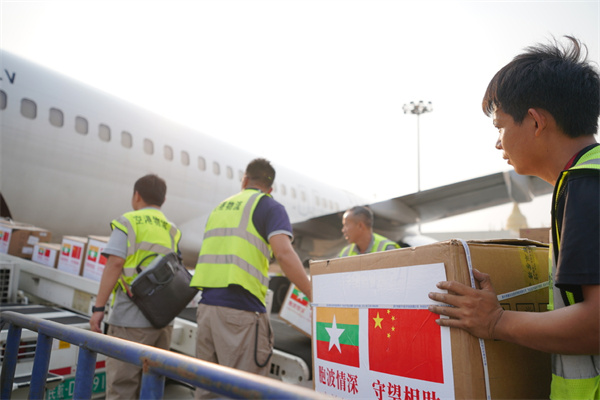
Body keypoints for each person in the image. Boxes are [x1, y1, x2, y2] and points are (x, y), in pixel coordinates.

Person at [428, 36, 599, 399]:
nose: (498, 143)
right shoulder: (585, 180)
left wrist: (496, 321)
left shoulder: (587, 185)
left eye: (499, 127)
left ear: (535, 122)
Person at [190, 158, 312, 399]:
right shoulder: (269, 207)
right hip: (240, 312)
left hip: (206, 310)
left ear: (244, 180)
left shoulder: (220, 208)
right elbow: (284, 254)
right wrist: (312, 292)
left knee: (207, 391)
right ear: (270, 188)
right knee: (245, 391)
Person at [89, 174, 181, 400]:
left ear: (136, 195)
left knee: (122, 387)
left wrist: (98, 309)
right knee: (152, 387)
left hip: (131, 320)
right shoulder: (172, 229)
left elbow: (115, 263)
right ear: (163, 199)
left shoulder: (128, 221)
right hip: (163, 321)